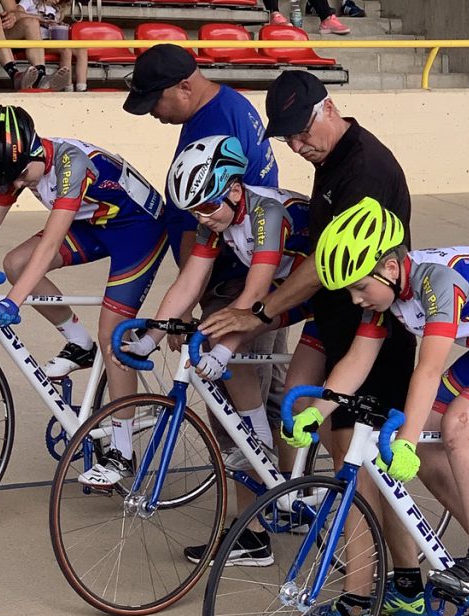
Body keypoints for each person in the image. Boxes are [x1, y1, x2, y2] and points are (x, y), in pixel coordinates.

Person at [281, 197, 469, 616]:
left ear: (389, 265)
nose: (355, 298)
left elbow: (428, 369)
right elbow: (356, 362)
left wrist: (405, 438)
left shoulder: (438, 283)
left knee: (458, 426)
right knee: (421, 439)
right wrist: (319, 410)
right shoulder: (385, 293)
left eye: (359, 287)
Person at [201, 70, 428, 616]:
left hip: (370, 333)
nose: (297, 148)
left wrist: (262, 311)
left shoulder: (365, 170)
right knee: (343, 453)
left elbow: (320, 266)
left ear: (329, 108)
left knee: (352, 469)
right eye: (287, 141)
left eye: (302, 134)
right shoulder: (334, 156)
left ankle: (355, 606)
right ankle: (406, 580)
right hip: (341, 325)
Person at [0, 105, 167, 483]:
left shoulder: (69, 163)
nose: (16, 187)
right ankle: (78, 344)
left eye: (21, 179)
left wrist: (14, 302)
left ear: (34, 150)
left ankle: (122, 452)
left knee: (113, 335)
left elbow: (50, 245)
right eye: (10, 183)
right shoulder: (14, 168)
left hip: (138, 230)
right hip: (93, 221)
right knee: (15, 263)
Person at [117, 136, 325, 562]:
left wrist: (222, 351)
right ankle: (263, 449)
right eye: (194, 211)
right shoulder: (219, 216)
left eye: (207, 207)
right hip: (285, 285)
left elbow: (254, 299)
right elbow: (189, 282)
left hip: (320, 288)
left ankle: (260, 439)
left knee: (228, 331)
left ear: (234, 189)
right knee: (219, 331)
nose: (202, 218)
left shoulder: (266, 213)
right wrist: (151, 335)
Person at [122, 44, 288, 451]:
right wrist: (158, 330)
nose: (154, 115)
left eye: (154, 102)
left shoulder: (217, 129)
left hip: (245, 279)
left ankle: (253, 505)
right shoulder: (219, 108)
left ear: (183, 87)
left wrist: (217, 327)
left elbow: (251, 297)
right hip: (234, 269)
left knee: (238, 405)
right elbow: (190, 275)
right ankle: (283, 495)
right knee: (267, 392)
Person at [17, 0, 87, 92]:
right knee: (66, 50)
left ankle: (81, 87)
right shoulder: (29, 1)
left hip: (52, 39)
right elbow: (17, 13)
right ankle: (68, 87)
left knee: (82, 50)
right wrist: (39, 18)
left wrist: (59, 25)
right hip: (37, 39)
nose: (57, 0)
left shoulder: (55, 9)